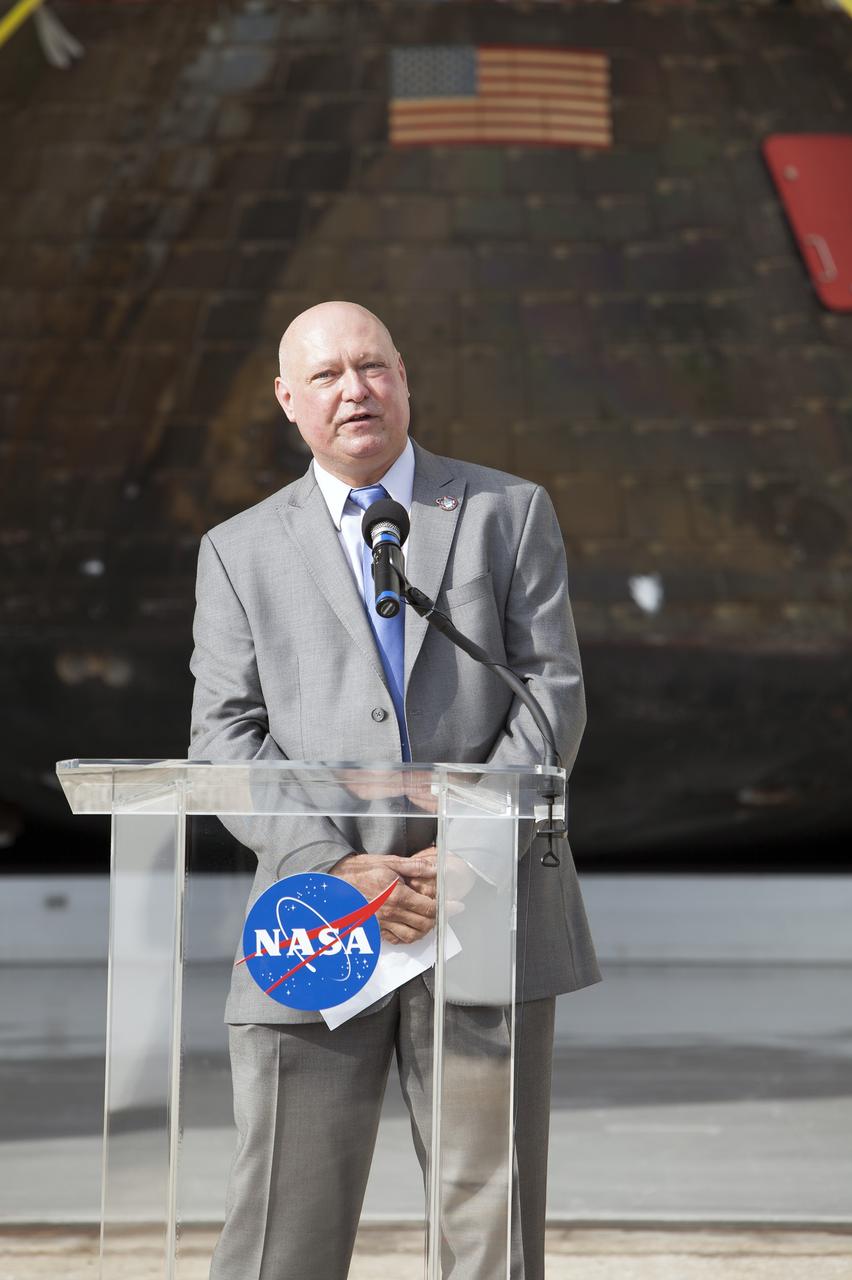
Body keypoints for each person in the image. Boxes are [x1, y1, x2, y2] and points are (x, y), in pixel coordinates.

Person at [189, 300, 600, 1279]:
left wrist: (457, 854)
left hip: (482, 909)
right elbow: (222, 736)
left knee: (485, 1228)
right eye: (325, 375)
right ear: (289, 401)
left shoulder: (507, 511)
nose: (353, 389)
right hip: (317, 914)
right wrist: (340, 868)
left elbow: (550, 697)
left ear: (405, 380)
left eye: (371, 366)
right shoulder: (238, 549)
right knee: (283, 1222)